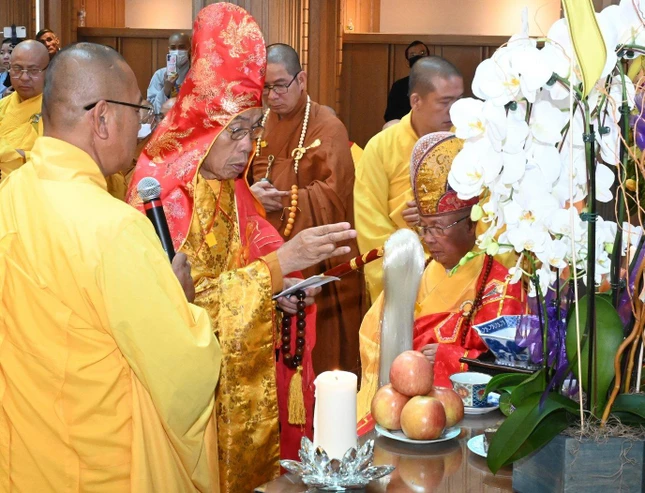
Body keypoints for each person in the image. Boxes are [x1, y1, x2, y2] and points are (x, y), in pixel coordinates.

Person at [127, 5, 357, 492]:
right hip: (190, 402)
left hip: (239, 384)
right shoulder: (160, 193)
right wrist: (277, 267)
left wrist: (285, 286)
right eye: (235, 131)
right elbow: (166, 316)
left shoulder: (228, 181)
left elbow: (257, 247)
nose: (248, 147)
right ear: (200, 128)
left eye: (254, 129)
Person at [0, 42, 222, 492]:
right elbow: (185, 378)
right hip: (98, 469)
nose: (142, 126)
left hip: (22, 461)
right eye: (138, 110)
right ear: (102, 118)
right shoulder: (115, 229)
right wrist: (183, 304)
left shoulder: (12, 193)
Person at [356, 132, 525, 418]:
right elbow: (373, 337)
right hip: (403, 408)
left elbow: (511, 368)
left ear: (471, 224)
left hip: (468, 416)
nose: (428, 239)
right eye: (423, 228)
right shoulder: (415, 275)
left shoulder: (501, 286)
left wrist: (450, 357)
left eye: (437, 228)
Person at [250, 43, 367, 375]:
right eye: (265, 88)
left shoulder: (327, 127)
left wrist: (284, 201)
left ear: (301, 80)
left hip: (318, 259)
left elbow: (334, 196)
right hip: (267, 254)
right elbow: (240, 180)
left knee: (319, 356)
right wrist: (252, 195)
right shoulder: (258, 125)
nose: (272, 96)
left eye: (280, 85)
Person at [354, 56, 464, 303]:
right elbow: (370, 223)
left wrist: (443, 211)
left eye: (458, 100)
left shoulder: (470, 142)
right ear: (416, 101)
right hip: (405, 276)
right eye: (445, 102)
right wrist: (411, 267)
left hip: (461, 273)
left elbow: (487, 211)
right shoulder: (381, 147)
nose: (454, 110)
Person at [0, 40, 49, 178]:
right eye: (17, 69)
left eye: (33, 70)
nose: (24, 77)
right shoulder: (2, 105)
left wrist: (19, 156)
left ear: (48, 71)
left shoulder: (56, 110)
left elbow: (59, 159)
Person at [384, 40, 429, 123]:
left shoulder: (438, 84)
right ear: (408, 63)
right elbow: (390, 116)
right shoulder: (399, 86)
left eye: (422, 53)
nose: (418, 57)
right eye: (413, 55)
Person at [147, 32, 191, 114]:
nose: (177, 51)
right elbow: (153, 110)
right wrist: (166, 89)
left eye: (181, 47)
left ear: (189, 49)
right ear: (169, 49)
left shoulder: (196, 75)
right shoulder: (159, 75)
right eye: (173, 48)